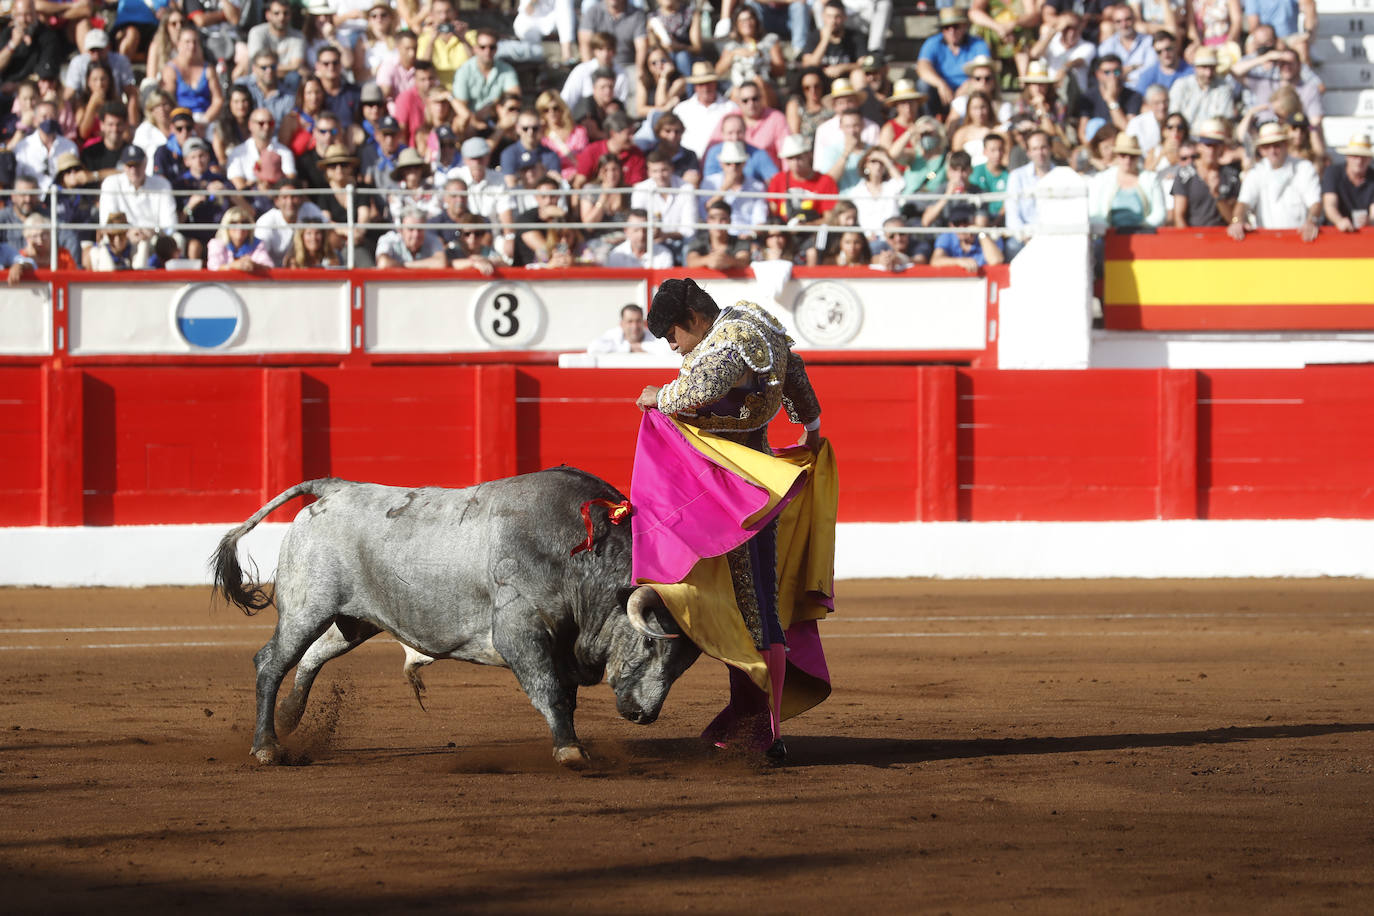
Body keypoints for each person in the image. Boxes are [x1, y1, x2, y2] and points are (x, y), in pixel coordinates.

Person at [635, 277, 823, 763]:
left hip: (729, 491)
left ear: (695, 319)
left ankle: (765, 726)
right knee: (757, 603)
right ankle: (757, 716)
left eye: (674, 335)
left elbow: (707, 383)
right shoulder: (757, 322)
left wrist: (663, 395)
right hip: (752, 481)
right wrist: (812, 424)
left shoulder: (729, 341)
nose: (674, 347)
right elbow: (796, 372)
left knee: (753, 606)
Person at [1227, 121, 1320, 241]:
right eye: (1267, 146)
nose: (1272, 150)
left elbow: (1315, 203)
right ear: (1261, 150)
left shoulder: (1304, 167)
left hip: (1299, 238)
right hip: (1268, 242)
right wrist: (1237, 221)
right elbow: (1243, 203)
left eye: (1276, 145)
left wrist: (1311, 221)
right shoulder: (1256, 172)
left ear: (1285, 145)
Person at [916, 7, 992, 112]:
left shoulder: (978, 43)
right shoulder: (932, 43)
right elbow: (922, 67)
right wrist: (940, 84)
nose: (951, 31)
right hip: (941, 94)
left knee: (981, 83)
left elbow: (985, 70)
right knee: (923, 85)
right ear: (942, 29)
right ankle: (929, 120)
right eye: (947, 27)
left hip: (969, 92)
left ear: (964, 26)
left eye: (955, 26)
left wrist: (968, 85)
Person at [1087, 133, 1168, 229]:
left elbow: (1159, 213)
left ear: (1138, 157)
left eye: (1132, 156)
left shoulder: (1151, 179)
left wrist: (1141, 229)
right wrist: (1110, 231)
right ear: (1116, 155)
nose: (1127, 160)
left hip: (1143, 237)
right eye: (1123, 155)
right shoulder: (1101, 179)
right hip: (1109, 238)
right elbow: (1094, 213)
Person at [1171, 118, 1241, 226]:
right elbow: (1178, 216)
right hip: (1193, 238)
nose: (1212, 150)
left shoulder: (1231, 176)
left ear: (1222, 147)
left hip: (1223, 239)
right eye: (1208, 145)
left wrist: (1217, 195)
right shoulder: (1185, 175)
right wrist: (1187, 241)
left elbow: (1233, 219)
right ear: (1199, 146)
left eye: (1216, 145)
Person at [451, 29, 519, 131]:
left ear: (496, 49)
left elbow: (515, 97)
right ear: (475, 48)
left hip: (498, 119)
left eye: (492, 47)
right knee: (460, 120)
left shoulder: (507, 69)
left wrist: (491, 107)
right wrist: (477, 119)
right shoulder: (464, 70)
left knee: (513, 113)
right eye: (483, 47)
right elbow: (461, 106)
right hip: (472, 122)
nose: (487, 51)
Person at [1005, 128, 1056, 256]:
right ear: (1028, 152)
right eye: (1034, 149)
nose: (1040, 153)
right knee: (1012, 246)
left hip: (1056, 235)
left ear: (1050, 148)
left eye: (1043, 147)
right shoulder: (1017, 176)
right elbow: (1012, 215)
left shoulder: (1062, 175)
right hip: (1025, 237)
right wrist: (1026, 238)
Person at [698, 141, 768, 233]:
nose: (733, 167)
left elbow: (760, 220)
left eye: (737, 163)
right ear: (721, 164)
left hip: (746, 239)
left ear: (744, 163)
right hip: (717, 236)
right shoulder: (710, 182)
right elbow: (705, 212)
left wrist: (750, 236)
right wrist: (725, 188)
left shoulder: (757, 186)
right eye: (728, 163)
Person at [673, 61, 738, 160]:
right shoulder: (681, 109)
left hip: (723, 162)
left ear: (715, 83)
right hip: (688, 163)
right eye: (700, 84)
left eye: (708, 83)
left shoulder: (731, 108)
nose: (705, 88)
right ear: (695, 86)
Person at [767, 133, 838, 222]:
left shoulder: (826, 181)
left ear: (809, 155)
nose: (795, 162)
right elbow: (772, 212)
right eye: (790, 158)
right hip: (784, 232)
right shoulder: (778, 180)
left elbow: (829, 218)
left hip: (813, 233)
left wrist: (806, 226)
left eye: (799, 157)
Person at [255, 179, 326, 265]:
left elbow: (330, 232)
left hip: (304, 269)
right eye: (285, 197)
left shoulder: (309, 209)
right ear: (276, 201)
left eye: (294, 196)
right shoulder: (266, 221)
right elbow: (258, 254)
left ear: (301, 199)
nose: (290, 202)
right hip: (273, 273)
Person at [1168, 46, 1239, 128]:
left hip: (1212, 137)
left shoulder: (1224, 87)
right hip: (1184, 136)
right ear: (1196, 68)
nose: (1208, 73)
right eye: (1204, 67)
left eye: (1212, 68)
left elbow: (1225, 119)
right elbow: (1174, 116)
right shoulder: (1181, 85)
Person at [930, 202, 1005, 271]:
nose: (962, 227)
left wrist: (981, 233)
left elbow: (996, 261)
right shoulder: (947, 237)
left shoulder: (988, 236)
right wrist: (959, 261)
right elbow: (935, 261)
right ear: (951, 225)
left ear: (973, 221)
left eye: (965, 222)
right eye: (957, 223)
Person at [1322, 135, 1374, 232]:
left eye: (1363, 157)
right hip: (1334, 233)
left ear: (1369, 159)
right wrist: (1339, 221)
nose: (1359, 161)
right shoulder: (1333, 172)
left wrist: (1369, 221)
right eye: (1355, 156)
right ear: (1347, 157)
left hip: (1363, 234)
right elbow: (1329, 205)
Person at [684, 199, 752, 268]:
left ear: (730, 221)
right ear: (707, 221)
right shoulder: (698, 241)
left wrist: (729, 261)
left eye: (723, 219)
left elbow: (744, 260)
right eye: (713, 218)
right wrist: (708, 260)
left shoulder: (740, 242)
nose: (717, 223)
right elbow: (691, 261)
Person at [377, 206, 450, 267]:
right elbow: (383, 263)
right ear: (400, 230)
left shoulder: (432, 239)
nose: (416, 235)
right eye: (411, 229)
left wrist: (404, 265)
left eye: (420, 229)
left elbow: (441, 263)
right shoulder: (389, 239)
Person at [208, 206, 276, 272]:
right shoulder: (216, 244)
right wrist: (233, 265)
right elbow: (213, 268)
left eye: (244, 222)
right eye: (234, 222)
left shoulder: (257, 244)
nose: (240, 226)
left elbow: (269, 266)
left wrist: (254, 265)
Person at [513, 0, 577, 65]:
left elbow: (565, 12)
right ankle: (535, 58)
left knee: (565, 5)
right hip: (532, 20)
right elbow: (528, 11)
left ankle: (567, 54)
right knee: (521, 26)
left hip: (554, 20)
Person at [589, 302, 673, 351]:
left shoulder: (653, 336)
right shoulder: (614, 334)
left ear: (644, 322)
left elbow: (669, 349)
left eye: (638, 321)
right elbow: (593, 348)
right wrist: (630, 348)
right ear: (621, 324)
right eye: (630, 321)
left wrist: (638, 346)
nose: (635, 326)